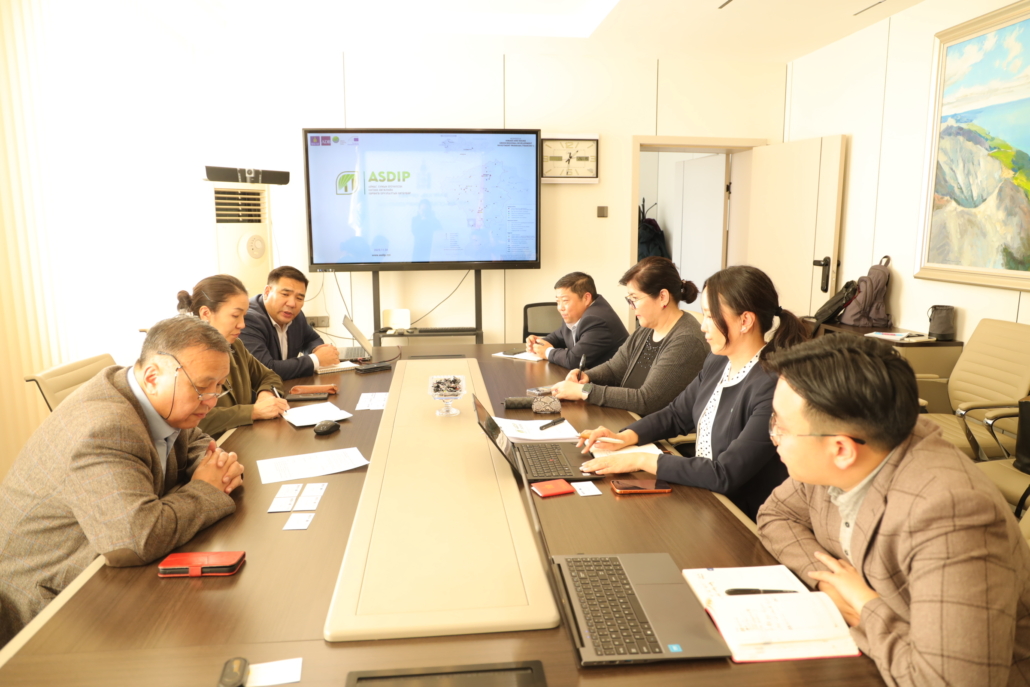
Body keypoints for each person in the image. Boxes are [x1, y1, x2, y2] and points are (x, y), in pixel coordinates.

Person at [758, 335, 1030, 687]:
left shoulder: (952, 514)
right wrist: (830, 583)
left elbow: (947, 681)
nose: (773, 436)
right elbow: (776, 516)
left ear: (841, 450)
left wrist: (864, 603)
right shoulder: (850, 447)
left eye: (780, 426)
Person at [0, 317, 245, 646]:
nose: (212, 400)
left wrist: (214, 465)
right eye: (203, 387)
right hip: (47, 605)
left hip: (102, 561)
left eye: (220, 385)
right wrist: (207, 488)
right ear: (153, 377)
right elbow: (135, 539)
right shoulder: (105, 428)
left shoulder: (153, 397)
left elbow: (195, 441)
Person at [578, 265, 807, 520]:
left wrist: (639, 460)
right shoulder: (718, 361)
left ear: (745, 321)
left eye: (710, 316)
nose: (703, 327)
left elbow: (724, 473)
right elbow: (676, 414)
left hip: (742, 516)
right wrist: (623, 437)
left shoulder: (773, 386)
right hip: (704, 496)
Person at [550, 257, 707, 417]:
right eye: (630, 300)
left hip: (653, 428)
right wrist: (587, 376)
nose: (632, 307)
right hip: (628, 418)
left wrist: (584, 390)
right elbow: (614, 369)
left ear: (662, 297)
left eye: (635, 299)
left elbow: (646, 400)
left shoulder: (687, 340)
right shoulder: (646, 330)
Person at [178, 275, 288, 436]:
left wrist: (266, 396)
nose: (242, 324)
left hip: (241, 439)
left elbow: (269, 377)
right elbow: (192, 419)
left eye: (244, 316)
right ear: (206, 313)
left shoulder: (235, 346)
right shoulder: (183, 357)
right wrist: (253, 411)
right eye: (235, 316)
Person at [240, 266, 340, 381]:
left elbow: (312, 339)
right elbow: (264, 370)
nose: (292, 304)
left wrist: (319, 350)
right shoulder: (248, 319)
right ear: (267, 292)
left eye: (299, 298)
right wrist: (316, 359)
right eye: (285, 294)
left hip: (287, 387)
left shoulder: (296, 316)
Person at [525, 272, 629, 369]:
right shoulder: (574, 314)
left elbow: (574, 360)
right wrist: (537, 343)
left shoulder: (596, 320)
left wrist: (547, 352)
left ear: (586, 298)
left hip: (610, 381)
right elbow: (558, 336)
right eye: (558, 301)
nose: (560, 307)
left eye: (565, 301)